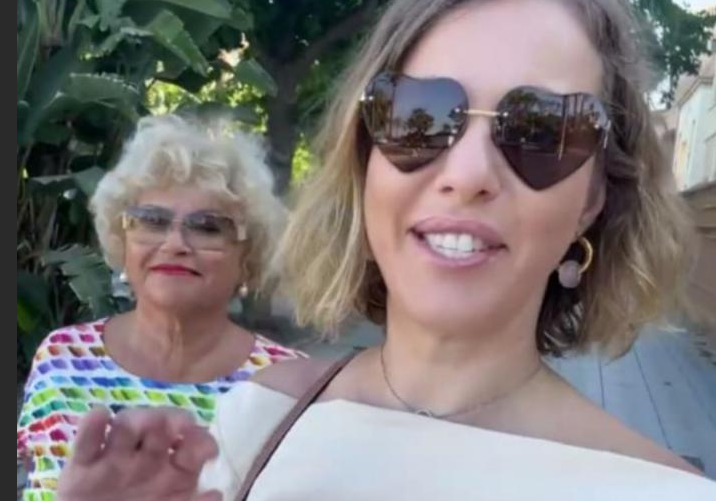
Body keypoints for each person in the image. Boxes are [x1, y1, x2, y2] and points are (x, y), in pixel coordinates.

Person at [55, 0, 716, 499]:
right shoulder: (256, 421)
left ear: (593, 200)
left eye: (542, 131)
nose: (468, 173)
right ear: (365, 162)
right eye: (418, 113)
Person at [17, 114, 304, 501]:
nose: (175, 244)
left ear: (247, 256)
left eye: (208, 227)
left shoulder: (294, 387)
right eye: (152, 221)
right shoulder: (62, 359)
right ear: (122, 239)